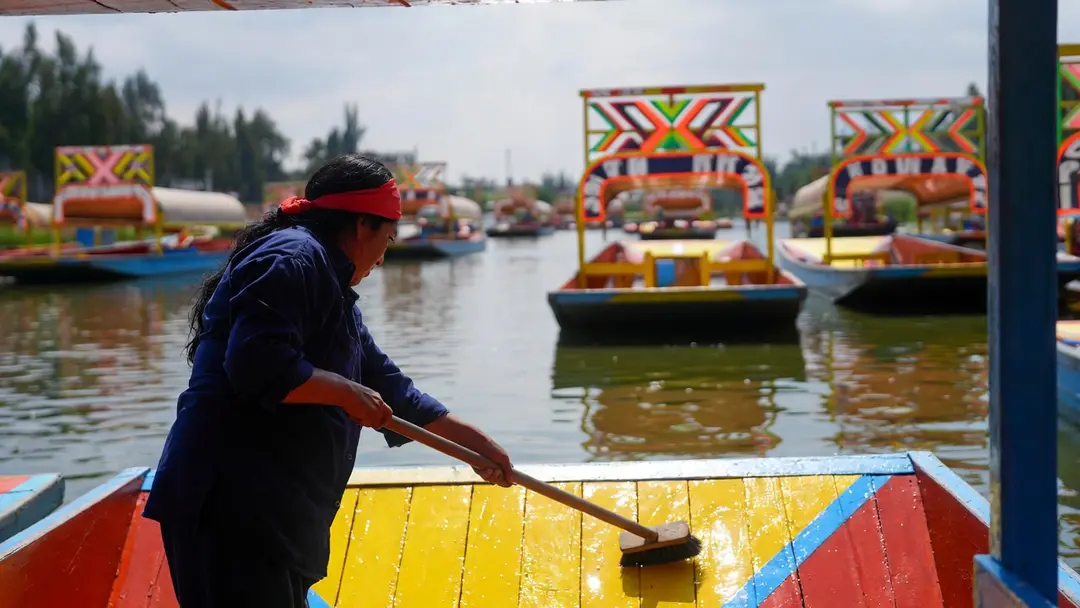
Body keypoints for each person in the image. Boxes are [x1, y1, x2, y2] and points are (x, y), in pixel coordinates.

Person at [143, 154, 514, 607]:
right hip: (229, 507)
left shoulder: (332, 289)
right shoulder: (292, 258)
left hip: (272, 515)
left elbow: (394, 392)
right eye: (387, 238)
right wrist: (345, 392)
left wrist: (477, 448)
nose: (383, 257)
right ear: (362, 225)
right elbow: (256, 363)